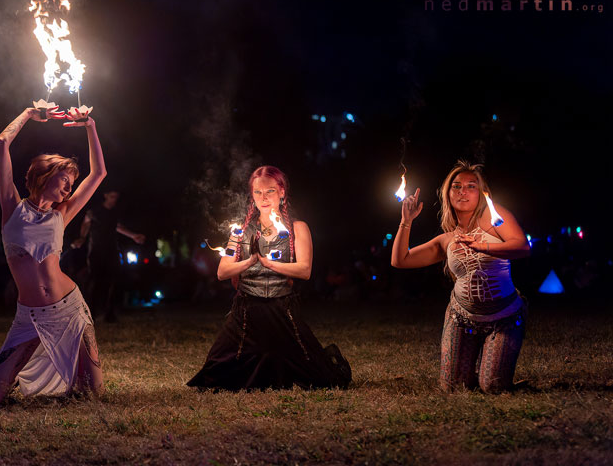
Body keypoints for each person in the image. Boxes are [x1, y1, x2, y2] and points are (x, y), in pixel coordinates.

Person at [0, 106, 106, 405]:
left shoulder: (62, 215)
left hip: (70, 310)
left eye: (71, 183)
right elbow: (1, 143)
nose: (69, 187)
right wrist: (27, 114)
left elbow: (99, 173)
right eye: (64, 179)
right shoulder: (12, 208)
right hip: (30, 317)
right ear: (44, 175)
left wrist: (90, 125)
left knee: (92, 395)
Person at [188, 166, 351, 390]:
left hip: (281, 310)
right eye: (258, 192)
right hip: (246, 313)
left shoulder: (298, 228)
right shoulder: (239, 232)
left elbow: (304, 270)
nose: (263, 198)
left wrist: (270, 263)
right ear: (252, 196)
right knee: (215, 376)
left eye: (270, 191)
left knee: (319, 378)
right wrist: (250, 261)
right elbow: (222, 272)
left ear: (282, 192)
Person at [391, 160, 530, 393]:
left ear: (481, 192)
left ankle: (491, 369)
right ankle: (473, 368)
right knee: (454, 388)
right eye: (456, 186)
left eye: (471, 186)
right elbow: (400, 260)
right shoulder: (447, 240)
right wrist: (406, 221)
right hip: (462, 318)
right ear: (447, 193)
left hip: (503, 318)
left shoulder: (495, 218)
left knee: (493, 387)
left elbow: (522, 247)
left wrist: (483, 246)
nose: (462, 191)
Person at [72, 190, 145, 322]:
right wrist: (82, 238)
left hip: (112, 251)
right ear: (105, 195)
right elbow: (86, 223)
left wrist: (133, 236)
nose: (114, 199)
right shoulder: (94, 211)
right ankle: (91, 312)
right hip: (96, 251)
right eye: (112, 196)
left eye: (116, 197)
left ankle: (109, 313)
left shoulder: (114, 212)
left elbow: (117, 226)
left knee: (113, 281)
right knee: (94, 281)